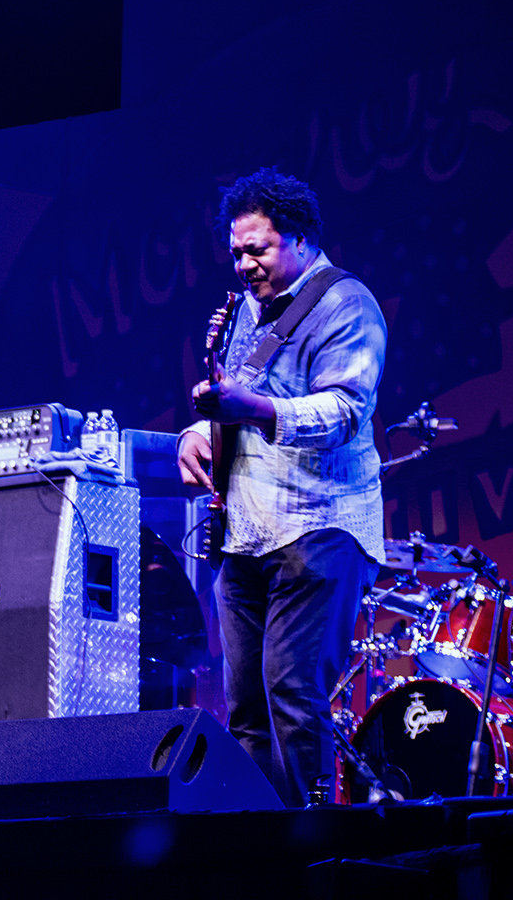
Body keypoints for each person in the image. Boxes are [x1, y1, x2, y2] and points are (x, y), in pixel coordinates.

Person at [177, 167, 385, 807]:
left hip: (319, 527)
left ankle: (313, 848)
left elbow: (345, 410)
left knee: (292, 693)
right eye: (236, 252)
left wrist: (255, 412)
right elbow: (240, 395)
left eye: (257, 249)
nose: (243, 264)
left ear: (296, 238)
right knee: (243, 708)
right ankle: (262, 847)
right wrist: (199, 433)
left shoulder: (346, 304)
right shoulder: (244, 309)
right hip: (245, 534)